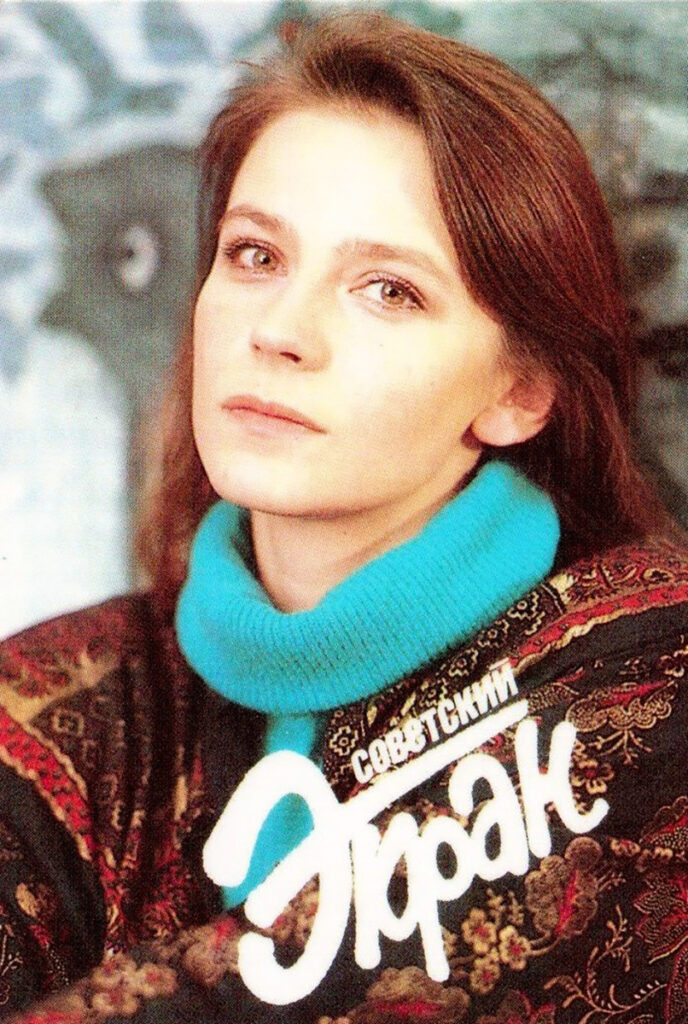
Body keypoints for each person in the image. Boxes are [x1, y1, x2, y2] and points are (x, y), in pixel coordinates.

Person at [1, 11, 687, 1024]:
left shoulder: (651, 674)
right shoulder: (47, 698)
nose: (279, 329)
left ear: (519, 390)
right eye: (254, 255)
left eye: (388, 290)